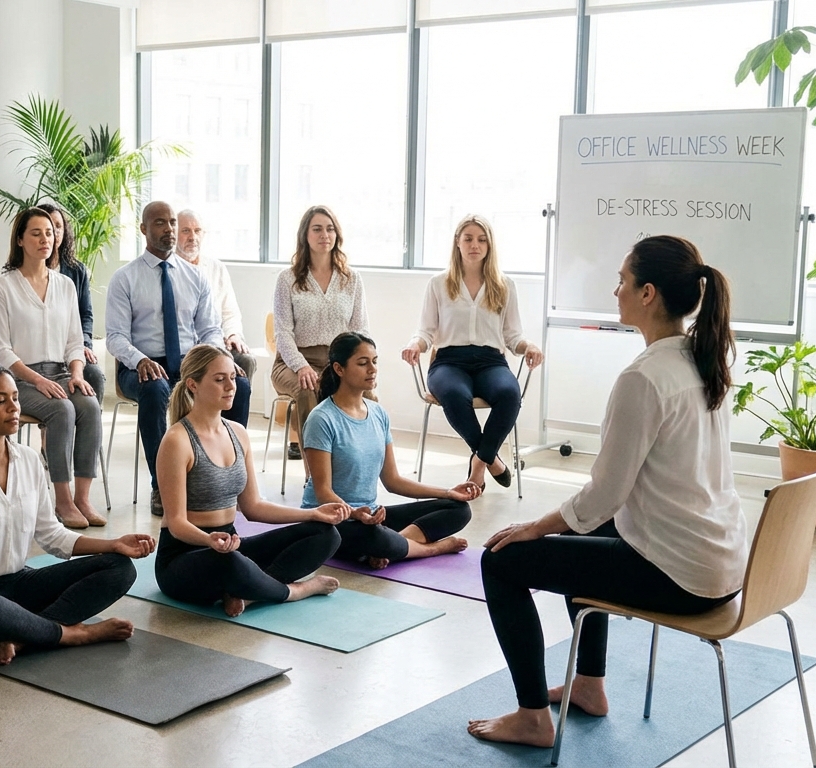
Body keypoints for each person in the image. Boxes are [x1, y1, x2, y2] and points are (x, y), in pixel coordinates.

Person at [468, 236, 745, 748]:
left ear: (648, 294)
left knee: (501, 561)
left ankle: (532, 718)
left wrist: (533, 527)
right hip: (720, 563)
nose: (614, 289)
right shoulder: (702, 359)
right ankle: (589, 686)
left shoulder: (645, 377)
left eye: (622, 280)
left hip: (679, 575)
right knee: (584, 533)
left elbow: (603, 496)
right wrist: (565, 523)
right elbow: (605, 506)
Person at [0, 361, 154, 666]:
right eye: (0, 401)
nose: (13, 407)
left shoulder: (29, 460)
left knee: (119, 568)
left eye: (16, 398)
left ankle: (19, 636)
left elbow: (52, 534)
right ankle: (71, 634)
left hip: (17, 587)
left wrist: (113, 544)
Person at [154, 344, 345, 617]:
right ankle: (295, 591)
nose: (230, 386)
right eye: (219, 380)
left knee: (325, 534)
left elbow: (253, 506)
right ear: (193, 385)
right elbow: (176, 523)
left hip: (229, 546)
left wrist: (312, 513)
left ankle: (248, 592)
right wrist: (209, 541)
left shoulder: (238, 433)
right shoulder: (177, 440)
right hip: (185, 558)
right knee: (230, 563)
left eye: (232, 377)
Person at [107, 201, 252, 517]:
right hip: (141, 365)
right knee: (155, 387)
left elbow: (211, 329)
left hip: (189, 362)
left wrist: (221, 362)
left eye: (172, 222)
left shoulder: (195, 277)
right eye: (160, 223)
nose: (169, 229)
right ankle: (162, 486)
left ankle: (230, 474)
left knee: (237, 382)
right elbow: (115, 337)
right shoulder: (125, 278)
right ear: (144, 229)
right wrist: (140, 359)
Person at [302, 332, 479, 568]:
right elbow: (323, 493)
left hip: (371, 517)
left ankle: (392, 547)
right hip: (331, 521)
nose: (372, 369)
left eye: (375, 361)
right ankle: (431, 549)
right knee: (372, 536)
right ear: (339, 369)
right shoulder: (322, 419)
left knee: (458, 510)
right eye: (363, 363)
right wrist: (356, 514)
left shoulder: (378, 413)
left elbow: (392, 480)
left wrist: (448, 492)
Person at [401, 214, 542, 490]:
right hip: (448, 362)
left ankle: (479, 463)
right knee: (454, 395)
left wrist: (530, 346)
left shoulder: (504, 285)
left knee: (509, 394)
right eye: (468, 238)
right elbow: (426, 332)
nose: (474, 245)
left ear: (489, 245)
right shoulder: (438, 284)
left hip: (491, 362)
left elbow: (513, 336)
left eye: (481, 239)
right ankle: (493, 461)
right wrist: (414, 345)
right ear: (457, 242)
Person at [0, 208, 104, 529]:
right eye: (36, 233)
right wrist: (37, 380)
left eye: (50, 232)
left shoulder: (65, 285)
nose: (45, 239)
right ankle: (62, 501)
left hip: (62, 373)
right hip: (18, 379)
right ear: (21, 240)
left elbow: (73, 341)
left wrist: (77, 374)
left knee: (89, 407)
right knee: (62, 410)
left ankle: (83, 499)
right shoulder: (4, 287)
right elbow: (1, 350)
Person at [271, 205, 370, 461]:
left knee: (368, 392)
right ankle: (314, 476)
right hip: (293, 361)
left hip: (338, 361)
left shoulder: (352, 278)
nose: (324, 234)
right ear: (305, 235)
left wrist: (361, 364)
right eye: (317, 229)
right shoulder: (287, 278)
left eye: (330, 229)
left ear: (337, 235)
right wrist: (302, 366)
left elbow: (360, 329)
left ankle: (358, 464)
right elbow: (282, 332)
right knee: (307, 390)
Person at [176, 209, 257, 383]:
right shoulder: (168, 269)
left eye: (197, 231)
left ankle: (230, 410)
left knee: (247, 361)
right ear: (174, 234)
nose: (193, 237)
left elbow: (230, 312)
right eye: (185, 231)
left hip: (217, 344)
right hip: (185, 348)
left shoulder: (216, 268)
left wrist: (233, 334)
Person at [37, 201, 105, 401]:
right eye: (48, 228)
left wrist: (84, 344)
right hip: (41, 351)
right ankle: (50, 428)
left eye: (58, 227)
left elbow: (86, 314)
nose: (53, 233)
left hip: (72, 346)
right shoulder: (24, 273)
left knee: (95, 375)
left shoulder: (77, 270)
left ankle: (90, 421)